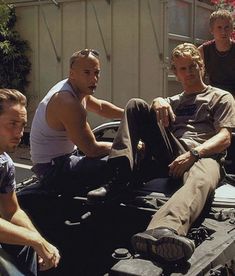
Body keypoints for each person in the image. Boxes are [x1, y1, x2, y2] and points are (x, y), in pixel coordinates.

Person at [87, 43, 235, 263]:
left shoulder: (220, 97)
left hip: (204, 155)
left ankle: (162, 231)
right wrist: (157, 100)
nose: (189, 73)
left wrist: (194, 153)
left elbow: (225, 137)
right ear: (175, 73)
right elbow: (152, 120)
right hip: (172, 151)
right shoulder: (171, 102)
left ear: (201, 66)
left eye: (193, 66)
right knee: (135, 105)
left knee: (201, 179)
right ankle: (119, 179)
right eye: (182, 69)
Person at [30, 49, 124, 194]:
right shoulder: (67, 101)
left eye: (96, 72)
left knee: (118, 156)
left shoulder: (78, 89)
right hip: (52, 169)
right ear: (72, 74)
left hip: (66, 158)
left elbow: (100, 107)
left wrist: (128, 114)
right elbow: (92, 149)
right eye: (87, 72)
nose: (94, 79)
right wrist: (127, 147)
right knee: (121, 163)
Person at [0, 88, 60, 275]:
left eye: (22, 125)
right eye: (12, 124)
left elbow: (12, 210)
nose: (19, 132)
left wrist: (38, 242)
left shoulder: (5, 163)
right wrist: (34, 239)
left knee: (27, 249)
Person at [198, 9, 235, 96]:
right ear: (211, 30)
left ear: (232, 29)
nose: (223, 32)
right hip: (214, 96)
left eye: (227, 27)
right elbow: (198, 80)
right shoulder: (203, 51)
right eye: (219, 27)